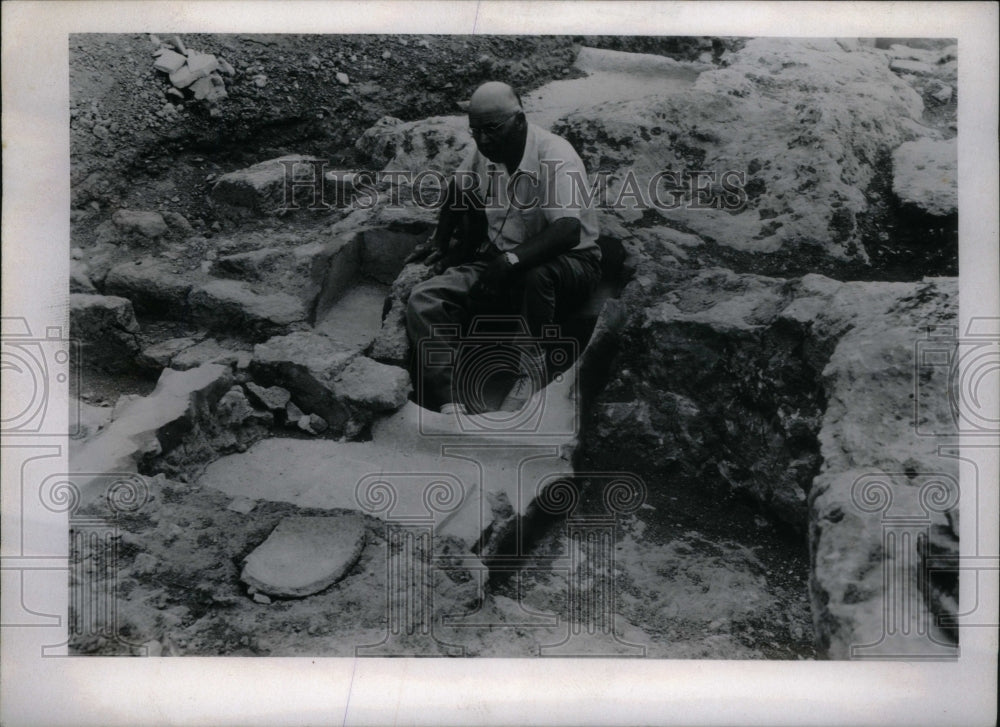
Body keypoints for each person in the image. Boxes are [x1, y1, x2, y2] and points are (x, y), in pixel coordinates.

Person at [405, 81, 602, 415]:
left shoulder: (554, 154)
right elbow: (458, 188)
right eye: (476, 132)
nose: (483, 140)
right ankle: (449, 398)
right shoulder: (486, 153)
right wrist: (440, 240)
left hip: (569, 263)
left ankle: (530, 367)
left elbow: (567, 231)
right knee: (425, 299)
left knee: (536, 276)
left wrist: (509, 261)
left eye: (492, 130)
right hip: (503, 260)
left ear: (520, 120)